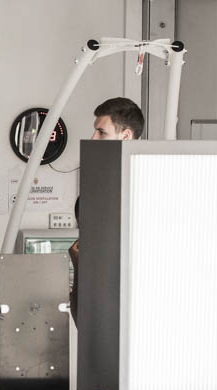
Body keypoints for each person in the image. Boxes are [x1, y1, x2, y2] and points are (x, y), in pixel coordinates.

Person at [70, 97, 144, 321]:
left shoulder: (143, 190)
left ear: (126, 136)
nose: (93, 138)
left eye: (101, 132)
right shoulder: (95, 192)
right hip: (100, 308)